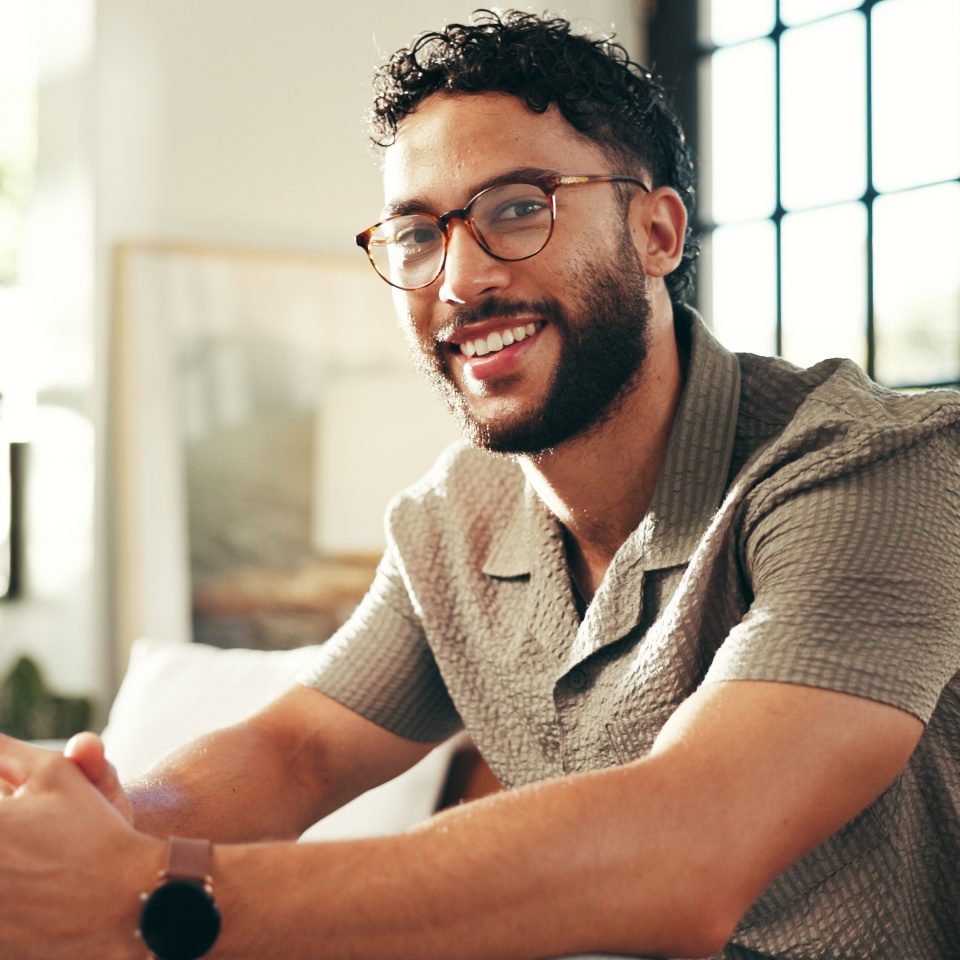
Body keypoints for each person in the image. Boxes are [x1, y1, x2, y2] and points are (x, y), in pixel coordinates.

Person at [2, 9, 959, 959]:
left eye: (517, 208)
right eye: (417, 235)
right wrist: (102, 824)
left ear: (658, 231)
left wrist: (152, 896)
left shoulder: (872, 467)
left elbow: (690, 848)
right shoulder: (451, 517)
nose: (459, 280)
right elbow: (298, 752)